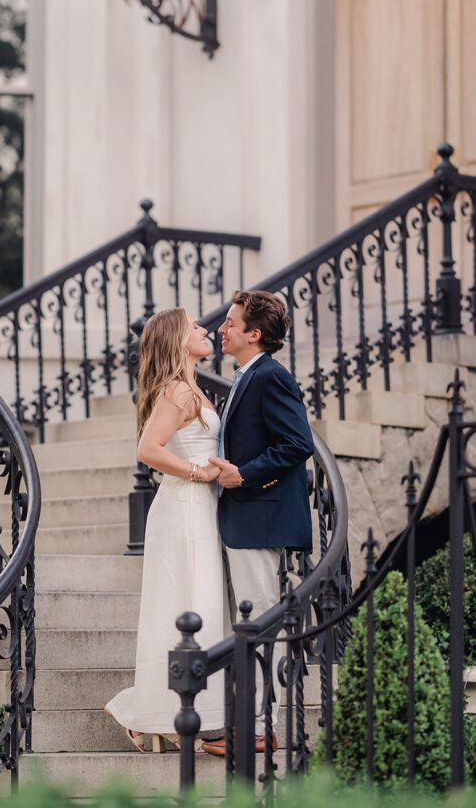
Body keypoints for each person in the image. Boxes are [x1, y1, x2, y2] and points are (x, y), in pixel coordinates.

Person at [104, 308, 228, 751]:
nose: (206, 329)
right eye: (195, 326)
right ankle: (159, 714)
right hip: (184, 506)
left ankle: (162, 713)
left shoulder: (190, 388)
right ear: (178, 338)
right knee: (186, 602)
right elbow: (148, 449)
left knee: (197, 603)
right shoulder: (178, 391)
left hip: (196, 506)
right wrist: (200, 473)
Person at [201, 289, 314, 757]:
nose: (221, 329)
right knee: (243, 628)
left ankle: (261, 729)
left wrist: (243, 474)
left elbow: (297, 443)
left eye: (231, 323)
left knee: (260, 623)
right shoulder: (247, 375)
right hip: (241, 520)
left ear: (255, 333)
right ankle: (246, 722)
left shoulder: (271, 377)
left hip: (258, 521)